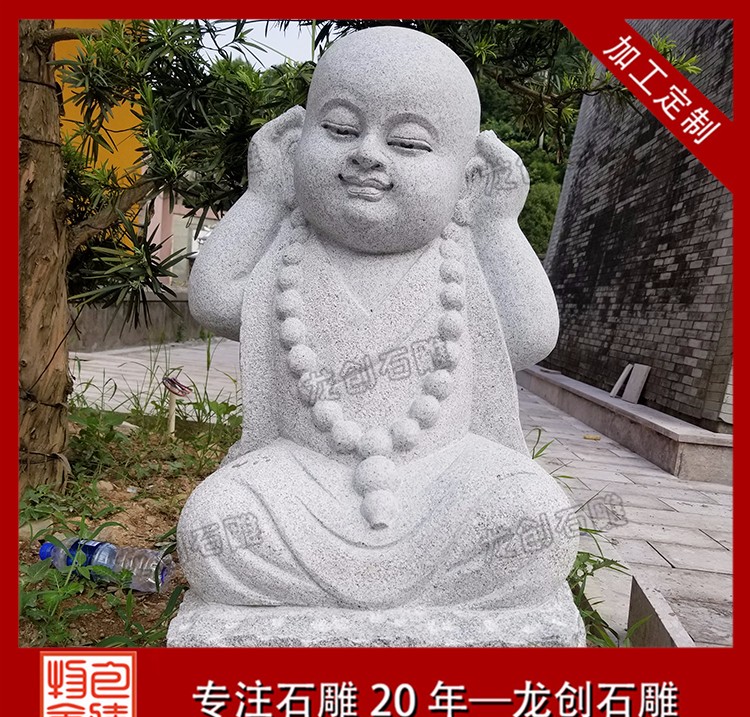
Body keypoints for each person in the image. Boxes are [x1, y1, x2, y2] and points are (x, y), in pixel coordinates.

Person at [174, 26, 582, 643]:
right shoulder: (290, 251)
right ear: (296, 144)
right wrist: (264, 197)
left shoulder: (458, 257)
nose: (368, 154)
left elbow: (530, 334)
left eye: (408, 142)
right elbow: (213, 298)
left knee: (535, 518)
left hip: (443, 473)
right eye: (340, 129)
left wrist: (498, 223)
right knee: (215, 525)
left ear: (467, 179)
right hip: (305, 473)